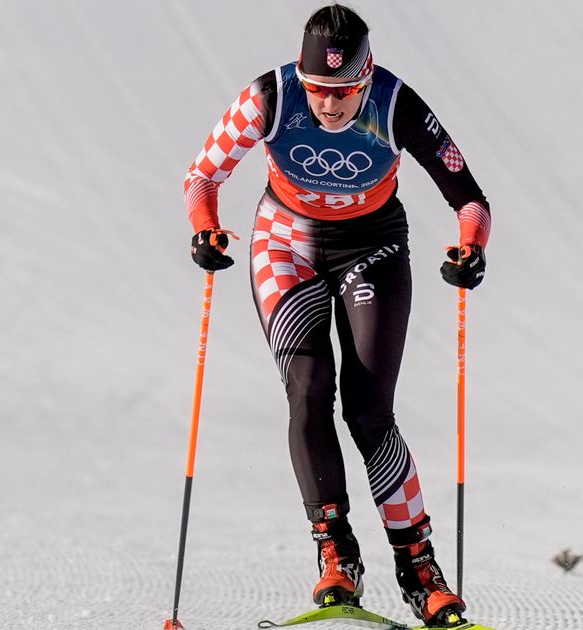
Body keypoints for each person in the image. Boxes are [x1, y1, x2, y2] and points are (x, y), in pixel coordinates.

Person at [182, 4, 490, 626]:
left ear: (366, 76)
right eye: (319, 91)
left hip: (372, 244)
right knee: (309, 390)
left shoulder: (397, 103)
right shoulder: (271, 96)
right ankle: (335, 554)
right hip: (284, 243)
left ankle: (420, 567)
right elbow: (202, 178)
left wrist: (471, 249)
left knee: (370, 410)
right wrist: (206, 230)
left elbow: (470, 200)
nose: (329, 105)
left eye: (344, 91)